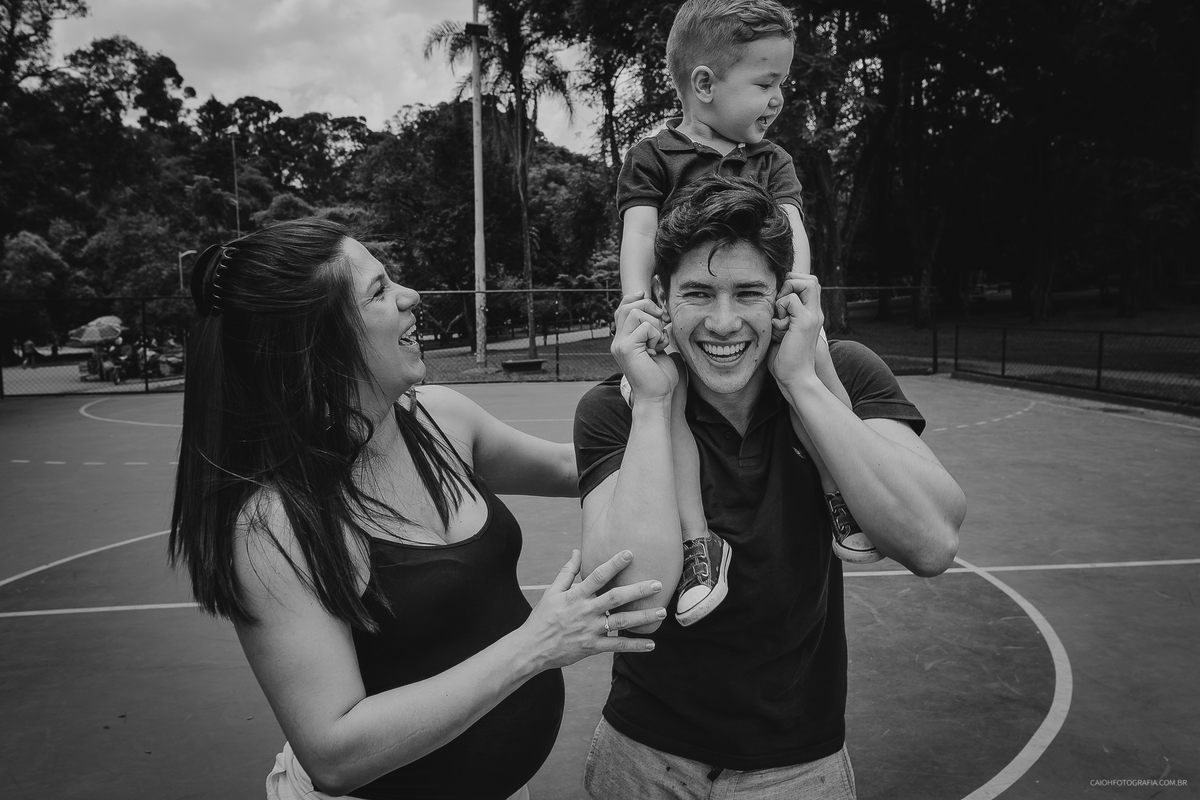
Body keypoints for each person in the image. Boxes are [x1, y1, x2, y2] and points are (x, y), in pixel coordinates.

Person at [168, 218, 666, 800]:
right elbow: (334, 753)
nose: (411, 297)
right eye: (379, 291)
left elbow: (573, 468)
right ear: (317, 342)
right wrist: (537, 645)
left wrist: (655, 392)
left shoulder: (438, 418)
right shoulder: (276, 524)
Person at [575, 174, 966, 799]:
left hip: (798, 764)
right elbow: (633, 599)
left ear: (783, 297)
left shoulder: (848, 373)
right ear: (658, 297)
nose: (723, 323)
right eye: (698, 293)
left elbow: (932, 540)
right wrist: (653, 407)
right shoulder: (616, 407)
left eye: (748, 293)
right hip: (644, 756)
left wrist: (805, 385)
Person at [615, 0, 871, 628]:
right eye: (765, 82)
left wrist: (795, 294)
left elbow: (791, 229)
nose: (779, 96)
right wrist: (634, 303)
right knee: (664, 399)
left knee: (808, 368)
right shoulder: (654, 156)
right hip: (685, 325)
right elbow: (640, 235)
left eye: (781, 80)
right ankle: (700, 544)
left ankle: (844, 497)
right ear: (703, 85)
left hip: (763, 312)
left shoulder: (771, 161)